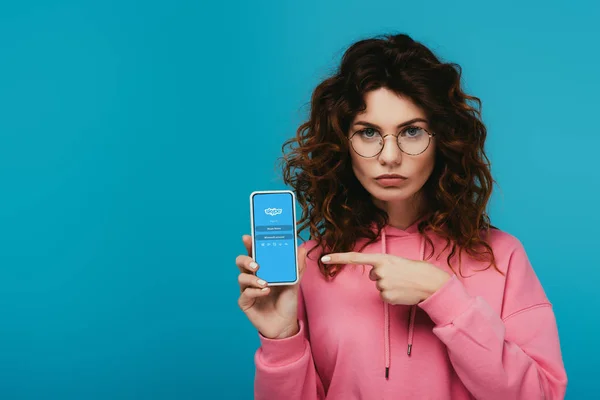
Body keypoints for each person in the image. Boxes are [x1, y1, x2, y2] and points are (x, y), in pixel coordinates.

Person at [235, 33, 568, 399]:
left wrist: (443, 297)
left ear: (442, 139)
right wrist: (281, 340)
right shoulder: (310, 265)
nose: (389, 156)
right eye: (368, 132)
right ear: (343, 143)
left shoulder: (502, 257)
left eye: (412, 131)